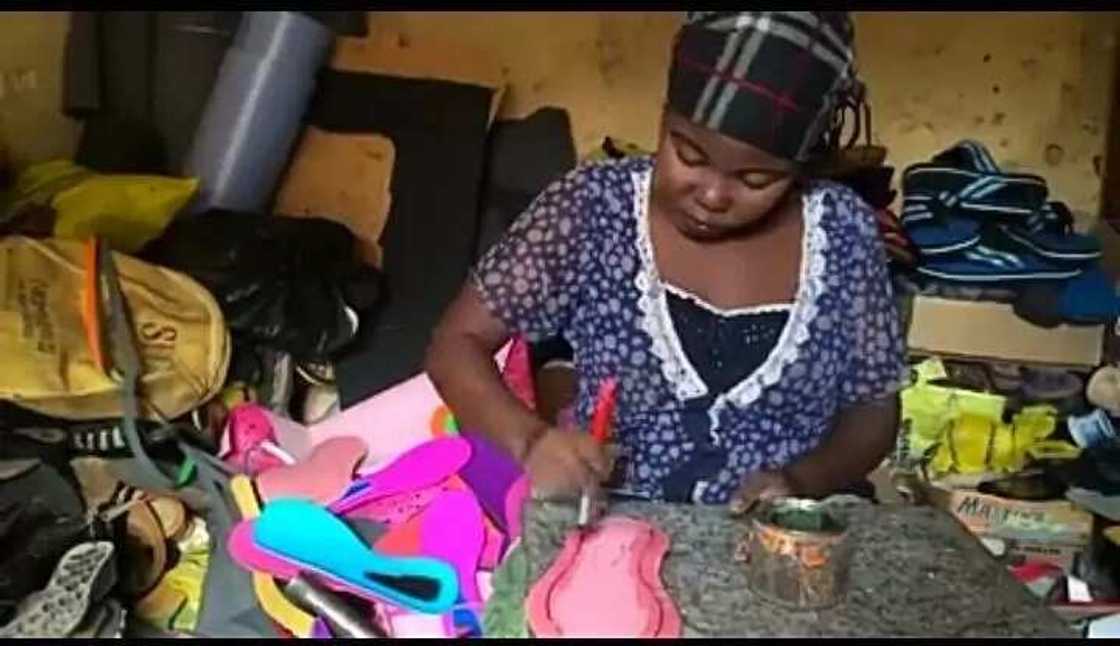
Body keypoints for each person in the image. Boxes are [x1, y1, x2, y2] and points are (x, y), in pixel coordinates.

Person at [426, 11, 907, 512]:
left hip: (780, 546)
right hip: (612, 532)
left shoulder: (843, 230)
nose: (714, 195)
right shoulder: (592, 207)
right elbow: (456, 344)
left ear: (801, 166)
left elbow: (873, 405)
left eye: (757, 180)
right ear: (663, 117)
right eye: (689, 155)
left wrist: (801, 481)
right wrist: (531, 443)